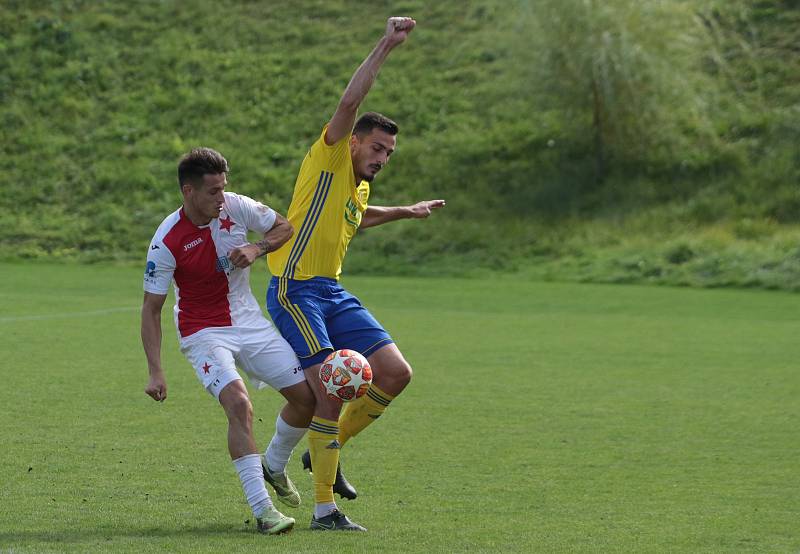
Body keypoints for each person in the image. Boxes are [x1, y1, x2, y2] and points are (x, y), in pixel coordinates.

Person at [266, 16, 445, 532]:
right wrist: (387, 45)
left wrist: (404, 212)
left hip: (332, 291)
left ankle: (327, 448)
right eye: (377, 147)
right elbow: (349, 104)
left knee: (395, 373)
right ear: (353, 142)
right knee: (328, 389)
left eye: (389, 152)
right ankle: (325, 509)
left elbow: (356, 217)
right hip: (294, 289)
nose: (382, 157)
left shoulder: (358, 185)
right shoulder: (329, 158)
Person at [141, 147, 317, 535]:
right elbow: (151, 308)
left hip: (249, 321)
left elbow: (285, 226)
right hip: (203, 331)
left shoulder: (236, 207)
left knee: (308, 399)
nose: (221, 199)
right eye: (212, 192)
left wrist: (257, 247)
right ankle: (263, 511)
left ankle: (274, 463)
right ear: (188, 191)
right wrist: (156, 371)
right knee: (239, 404)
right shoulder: (166, 240)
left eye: (223, 189)